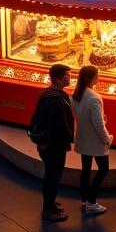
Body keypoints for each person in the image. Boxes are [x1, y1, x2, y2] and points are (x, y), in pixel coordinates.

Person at [29, 63, 75, 221]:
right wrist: (70, 136)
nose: (71, 77)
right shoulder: (57, 99)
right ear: (61, 78)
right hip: (54, 145)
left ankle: (50, 203)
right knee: (53, 176)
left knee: (51, 174)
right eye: (68, 75)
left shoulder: (47, 94)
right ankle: (48, 209)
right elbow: (59, 124)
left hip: (47, 144)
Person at [73, 65, 111, 216]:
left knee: (86, 170)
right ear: (91, 78)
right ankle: (92, 201)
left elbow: (80, 116)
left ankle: (84, 199)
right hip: (95, 141)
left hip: (83, 138)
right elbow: (98, 124)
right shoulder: (94, 98)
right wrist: (107, 139)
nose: (99, 78)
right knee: (103, 169)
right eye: (97, 75)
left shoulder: (76, 94)